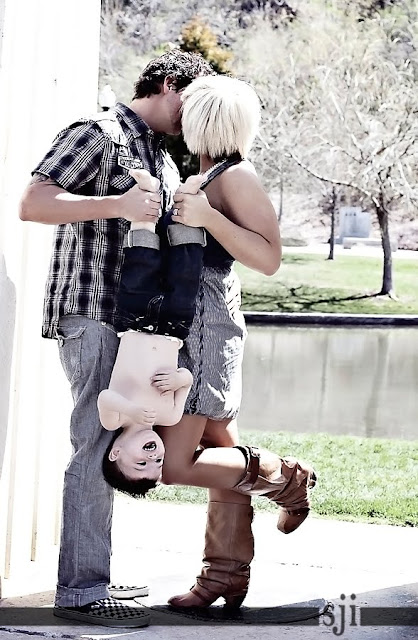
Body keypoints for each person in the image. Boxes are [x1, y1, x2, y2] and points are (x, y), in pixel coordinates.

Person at [18, 49, 214, 628]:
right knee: (95, 444)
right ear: (169, 84)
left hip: (135, 327)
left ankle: (93, 575)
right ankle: (82, 591)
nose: (195, 120)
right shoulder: (97, 131)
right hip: (92, 314)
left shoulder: (162, 155)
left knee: (114, 442)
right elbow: (33, 203)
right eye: (193, 104)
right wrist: (119, 204)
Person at [146, 74, 317, 609]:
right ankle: (223, 576)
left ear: (203, 120)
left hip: (206, 324)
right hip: (188, 321)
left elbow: (269, 258)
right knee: (222, 449)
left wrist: (208, 217)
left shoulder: (236, 176)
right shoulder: (204, 173)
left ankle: (287, 479)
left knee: (174, 465)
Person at [98, 168, 204, 496]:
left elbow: (105, 397)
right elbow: (187, 379)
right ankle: (186, 202)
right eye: (158, 462)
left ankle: (147, 200)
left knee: (141, 264)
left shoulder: (114, 419)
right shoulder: (169, 417)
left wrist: (131, 410)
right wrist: (178, 380)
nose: (153, 457)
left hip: (134, 322)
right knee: (186, 273)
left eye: (140, 463)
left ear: (116, 452)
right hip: (174, 327)